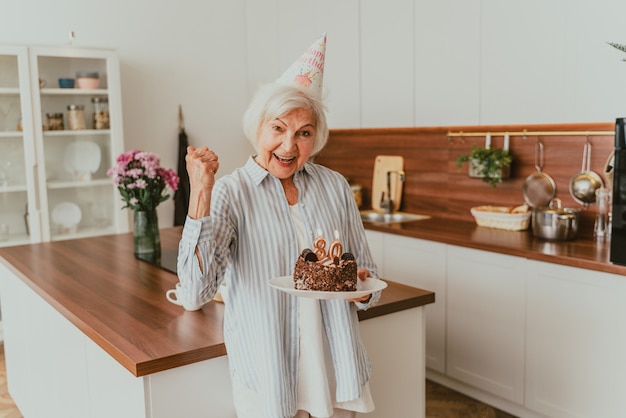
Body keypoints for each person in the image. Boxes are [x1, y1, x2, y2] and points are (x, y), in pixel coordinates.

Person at [177, 34, 382, 418]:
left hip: (334, 365)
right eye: (278, 129)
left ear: (315, 138)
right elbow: (193, 294)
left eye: (303, 133)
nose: (289, 146)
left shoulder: (334, 185)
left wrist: (363, 289)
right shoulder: (231, 193)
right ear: (258, 128)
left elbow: (367, 275)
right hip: (270, 370)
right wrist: (200, 192)